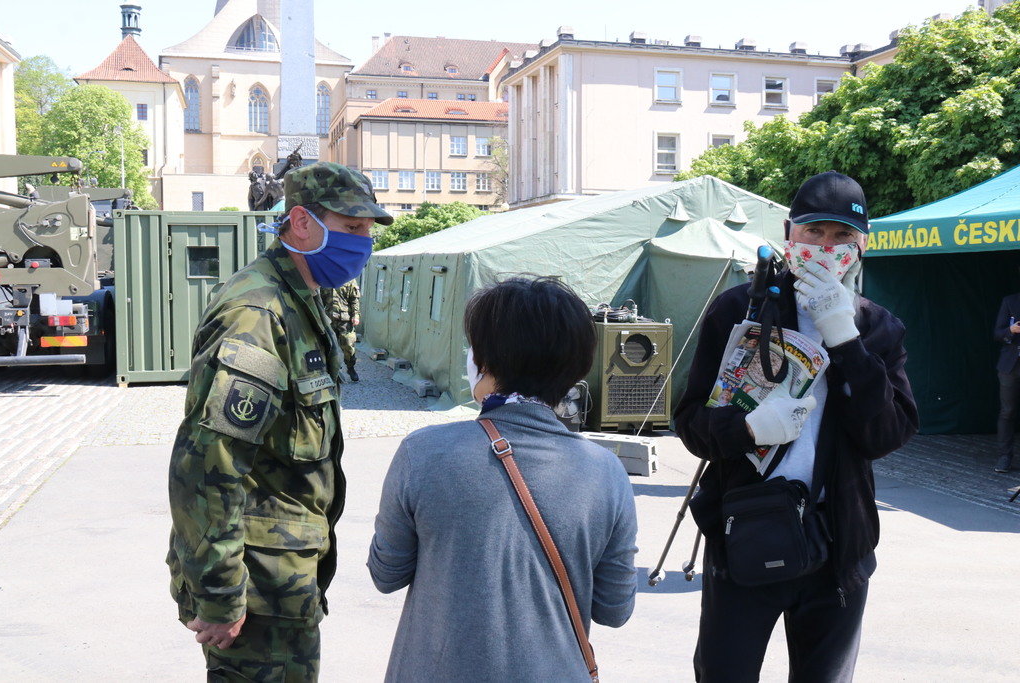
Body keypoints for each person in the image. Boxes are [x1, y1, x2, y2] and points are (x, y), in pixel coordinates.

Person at [674, 171, 918, 682]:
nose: (826, 247)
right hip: (746, 527)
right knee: (724, 672)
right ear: (789, 233)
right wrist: (747, 430)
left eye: (842, 235)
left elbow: (886, 434)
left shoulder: (878, 328)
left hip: (838, 540)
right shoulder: (737, 310)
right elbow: (690, 421)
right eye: (814, 232)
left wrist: (844, 339)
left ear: (861, 243)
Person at [166, 162, 392, 681]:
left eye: (368, 231)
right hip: (255, 589)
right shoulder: (258, 312)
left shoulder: (301, 297)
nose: (363, 242)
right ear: (302, 221)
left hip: (283, 580)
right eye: (352, 227)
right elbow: (208, 466)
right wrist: (222, 594)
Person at [367, 276, 638, 681]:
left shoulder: (422, 452)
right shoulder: (605, 472)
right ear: (576, 365)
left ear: (485, 362)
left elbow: (385, 574)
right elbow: (615, 609)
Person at [992, 291, 1020, 472]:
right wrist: (1011, 330)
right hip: (1011, 366)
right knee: (1008, 412)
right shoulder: (1010, 301)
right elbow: (997, 333)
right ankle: (1005, 456)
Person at [321, 279, 361, 382]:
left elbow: (354, 299)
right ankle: (332, 370)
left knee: (348, 345)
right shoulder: (326, 278)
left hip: (345, 320)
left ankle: (350, 367)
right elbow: (320, 301)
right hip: (329, 319)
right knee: (328, 345)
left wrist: (355, 315)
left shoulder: (349, 278)